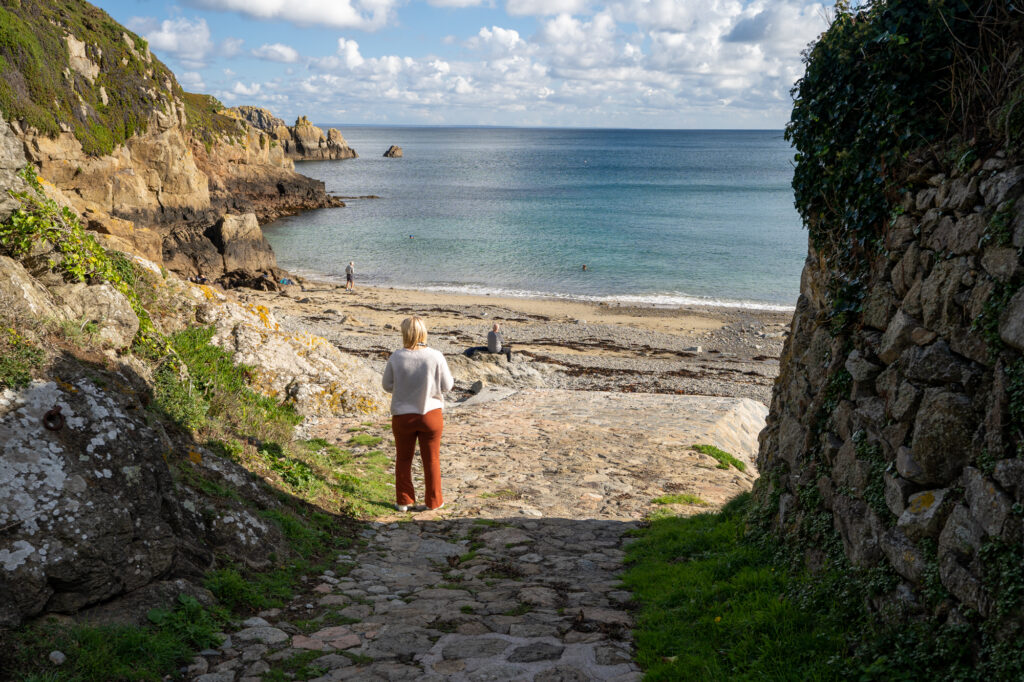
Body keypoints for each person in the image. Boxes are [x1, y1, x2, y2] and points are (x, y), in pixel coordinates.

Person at [381, 316, 454, 512]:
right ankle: (434, 501)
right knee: (432, 459)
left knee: (403, 459)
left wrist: (404, 386)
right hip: (430, 414)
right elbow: (448, 386)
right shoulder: (436, 356)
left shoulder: (396, 357)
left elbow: (387, 386)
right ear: (424, 332)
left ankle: (404, 501)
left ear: (405, 333)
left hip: (403, 416)